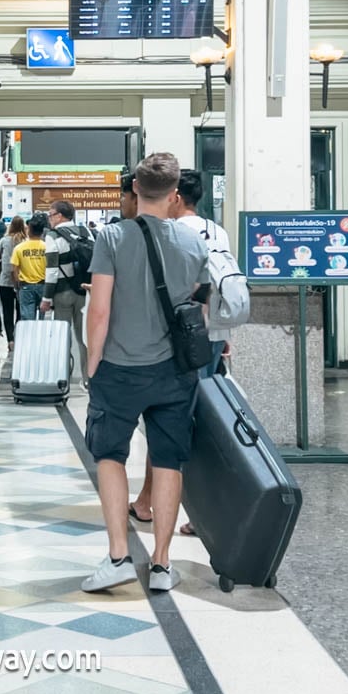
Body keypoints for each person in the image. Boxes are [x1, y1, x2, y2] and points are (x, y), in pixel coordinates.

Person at [81, 153, 209, 594]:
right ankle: (161, 564)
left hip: (119, 367)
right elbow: (197, 307)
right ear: (175, 195)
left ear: (135, 189)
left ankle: (118, 556)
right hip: (174, 372)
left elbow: (100, 310)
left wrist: (92, 361)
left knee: (110, 456)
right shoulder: (195, 242)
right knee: (169, 460)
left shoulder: (113, 238)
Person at [129, 169, 232, 534]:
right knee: (192, 419)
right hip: (211, 333)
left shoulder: (174, 234)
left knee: (170, 420)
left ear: (175, 196)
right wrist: (222, 334)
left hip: (179, 340)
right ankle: (148, 499)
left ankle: (181, 508)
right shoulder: (216, 230)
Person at [40, 200, 95, 386]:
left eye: (51, 214)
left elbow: (51, 271)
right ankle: (88, 378)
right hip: (85, 291)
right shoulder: (86, 232)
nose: (49, 218)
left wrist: (46, 298)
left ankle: (63, 376)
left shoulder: (52, 236)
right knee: (84, 337)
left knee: (62, 337)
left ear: (60, 216)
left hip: (62, 293)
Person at [0, 216, 27, 344]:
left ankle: (10, 340)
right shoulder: (25, 241)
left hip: (5, 281)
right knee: (21, 310)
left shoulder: (4, 241)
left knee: (7, 311)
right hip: (22, 280)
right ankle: (19, 336)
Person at [14, 214, 49, 319]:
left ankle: (29, 335)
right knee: (42, 316)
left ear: (28, 230)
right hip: (43, 285)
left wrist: (17, 286)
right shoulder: (47, 247)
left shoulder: (19, 248)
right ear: (42, 231)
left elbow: (15, 270)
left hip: (25, 286)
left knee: (27, 317)